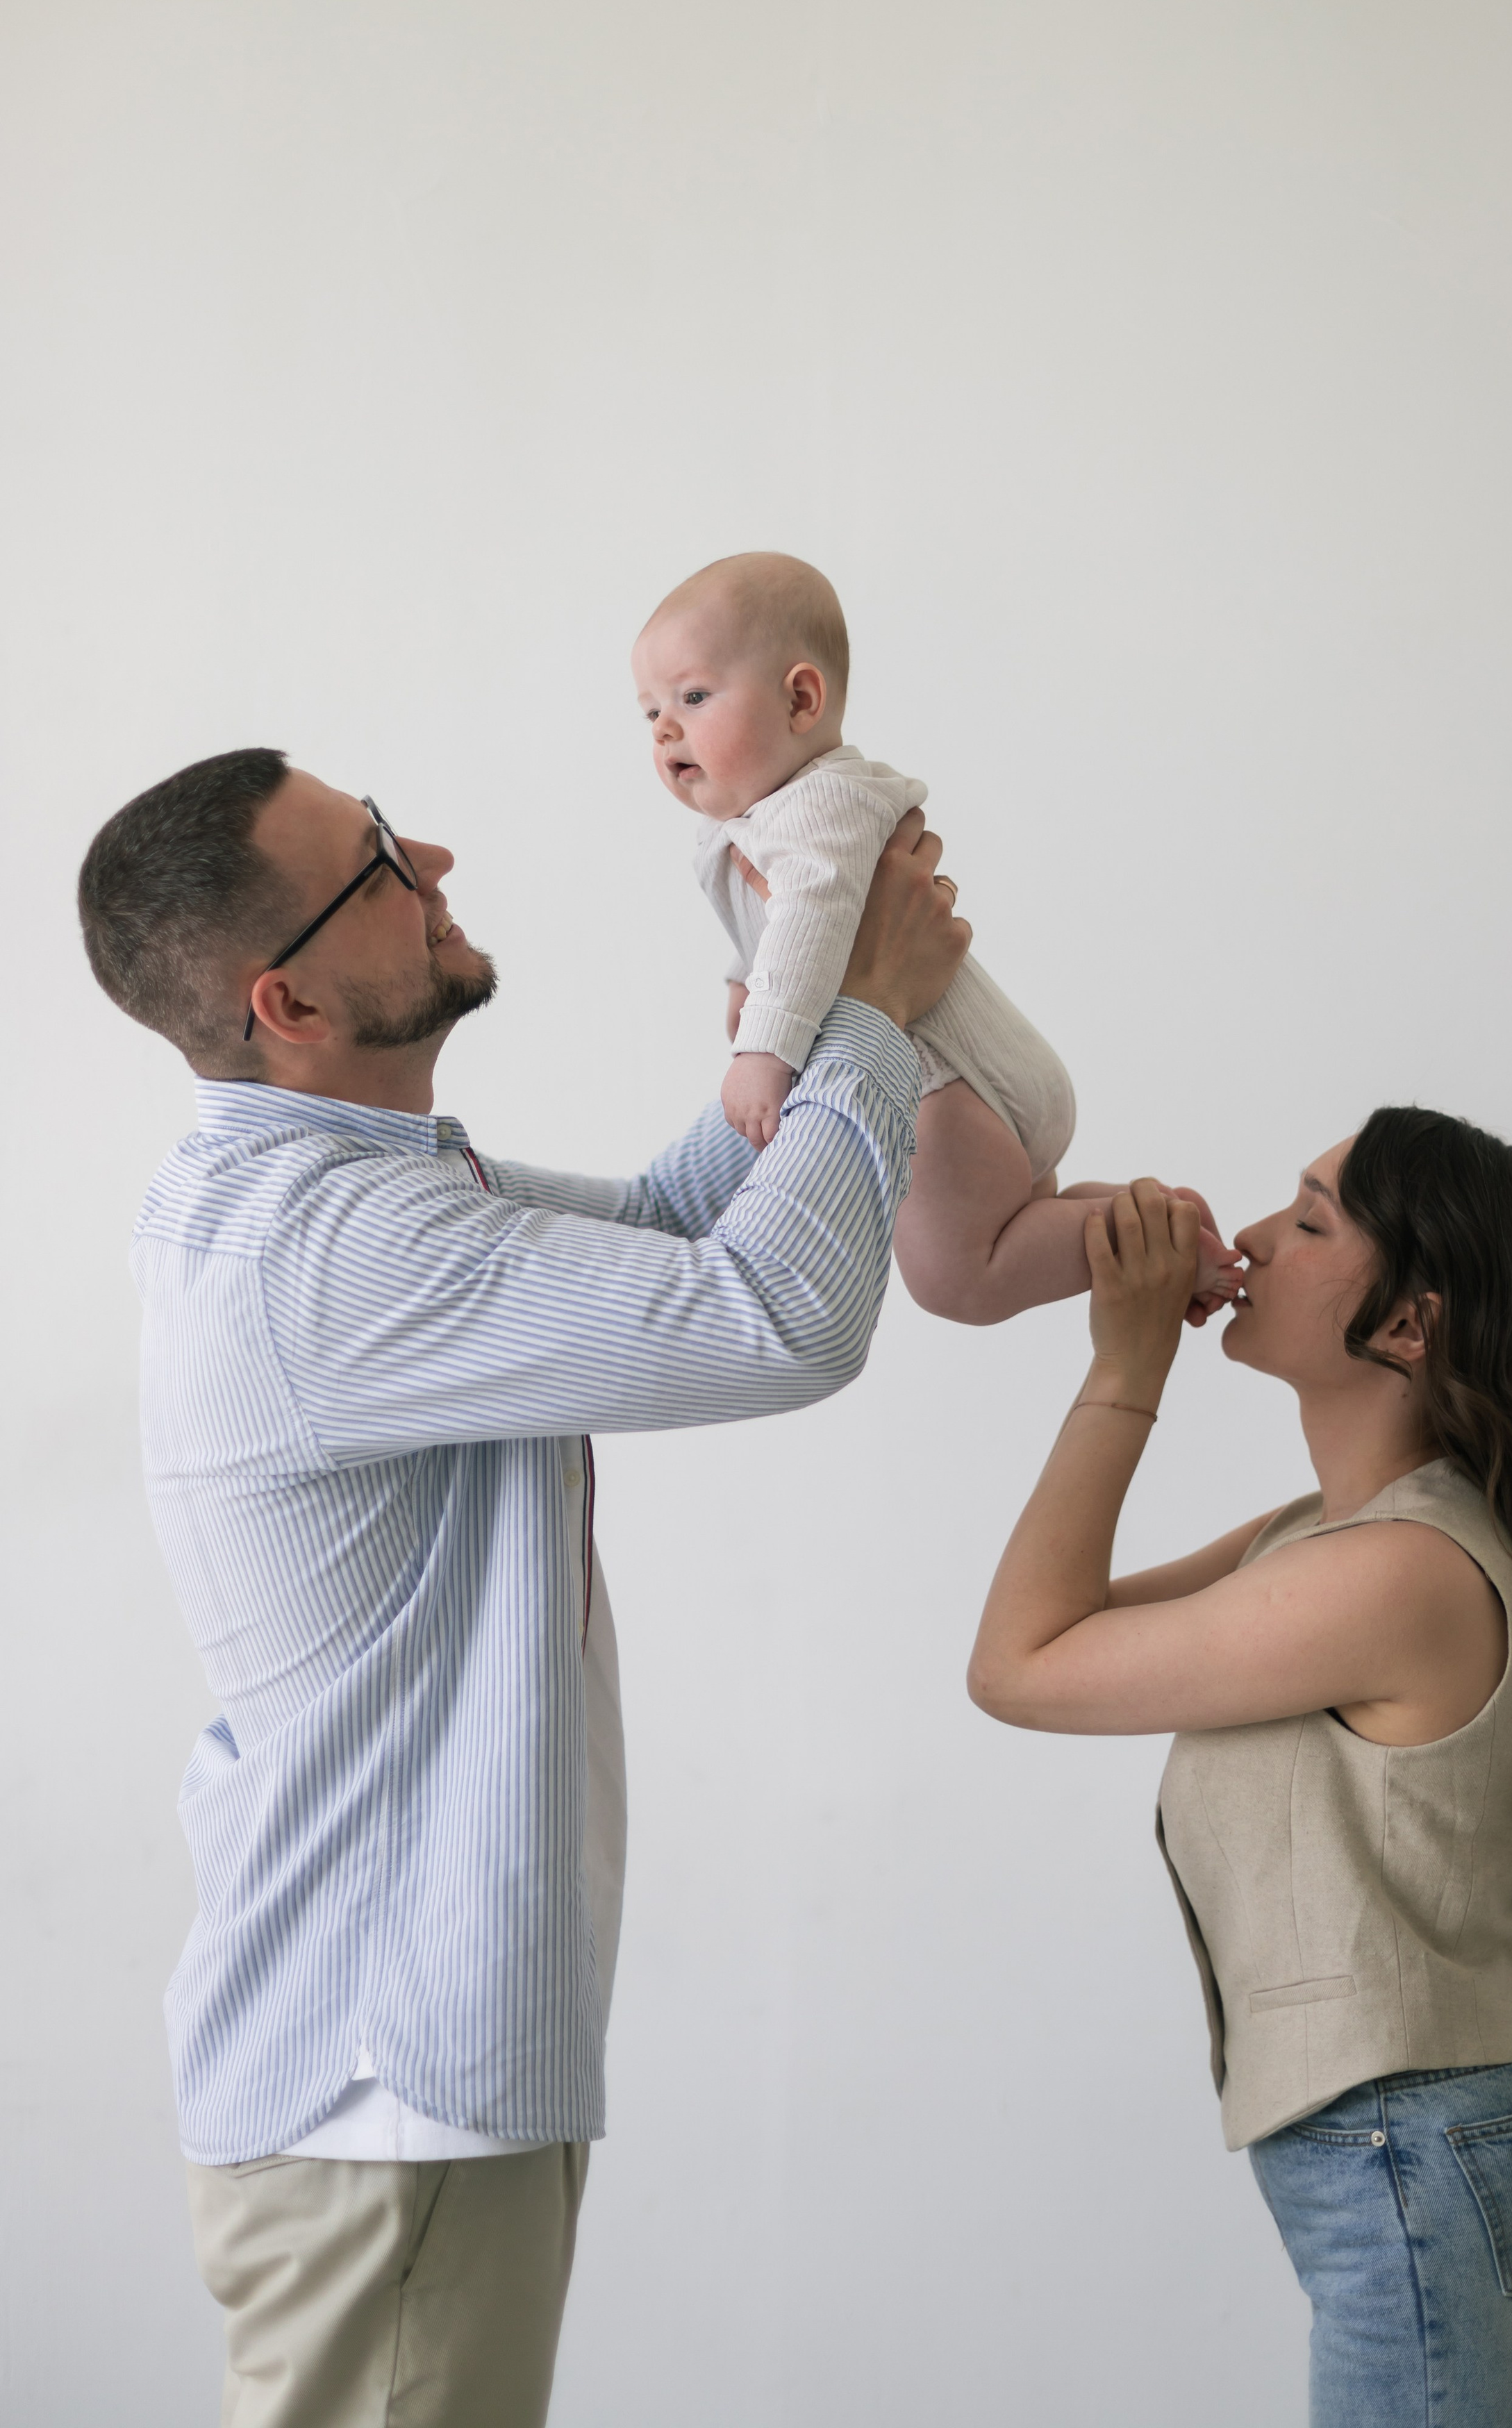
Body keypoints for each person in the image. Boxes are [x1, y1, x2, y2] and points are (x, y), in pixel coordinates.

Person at [76, 746, 968, 2428]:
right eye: (374, 868)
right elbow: (769, 1319)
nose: (431, 852)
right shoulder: (329, 1253)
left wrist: (791, 1038)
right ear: (291, 1001)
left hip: (387, 2083)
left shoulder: (333, 1203)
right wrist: (870, 1023)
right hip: (384, 2088)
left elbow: (660, 1234)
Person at [966, 1113, 1512, 2427]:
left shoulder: (1395, 1575)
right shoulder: (1328, 1541)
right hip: (1456, 2172)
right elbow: (1052, 1627)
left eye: (1306, 1219)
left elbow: (1021, 1662)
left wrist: (1126, 1366)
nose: (1245, 1238)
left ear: (1406, 1323)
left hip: (1434, 2177)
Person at [631, 549, 1240, 1322]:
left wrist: (764, 1046)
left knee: (959, 1277)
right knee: (1019, 1224)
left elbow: (812, 911)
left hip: (945, 1086)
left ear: (801, 700)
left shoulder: (815, 807)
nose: (665, 730)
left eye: (692, 695)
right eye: (650, 712)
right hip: (977, 1082)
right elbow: (781, 919)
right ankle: (1139, 1222)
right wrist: (740, 976)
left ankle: (1163, 1240)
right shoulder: (777, 817)